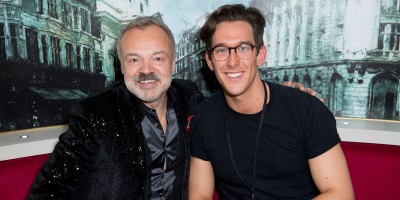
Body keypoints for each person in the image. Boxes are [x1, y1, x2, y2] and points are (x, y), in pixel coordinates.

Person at [29, 15, 319, 200]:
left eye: (157, 58)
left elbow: (235, 103)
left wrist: (285, 94)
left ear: (173, 62)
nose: (146, 71)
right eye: (134, 60)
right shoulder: (95, 115)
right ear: (121, 65)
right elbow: (47, 191)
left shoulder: (190, 99)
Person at [189, 4, 354, 200]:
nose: (232, 62)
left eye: (243, 48)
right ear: (209, 60)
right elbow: (199, 195)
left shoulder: (307, 110)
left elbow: (340, 194)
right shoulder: (203, 117)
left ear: (260, 55)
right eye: (221, 50)